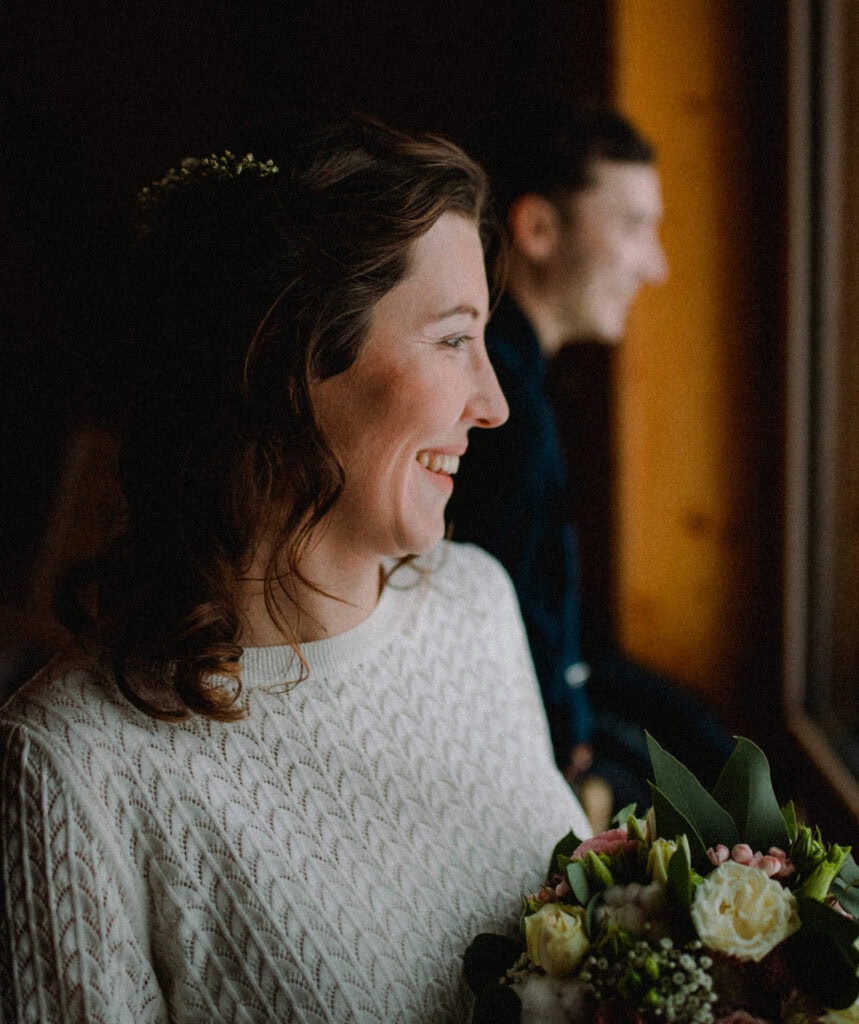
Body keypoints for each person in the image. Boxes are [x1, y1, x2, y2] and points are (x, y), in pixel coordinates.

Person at [0, 118, 592, 1023]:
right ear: (290, 363)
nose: (495, 403)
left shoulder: (477, 604)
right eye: (451, 339)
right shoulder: (72, 766)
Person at [449, 97, 734, 822]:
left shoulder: (522, 386)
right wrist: (582, 773)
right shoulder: (502, 413)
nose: (657, 265)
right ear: (538, 227)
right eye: (634, 226)